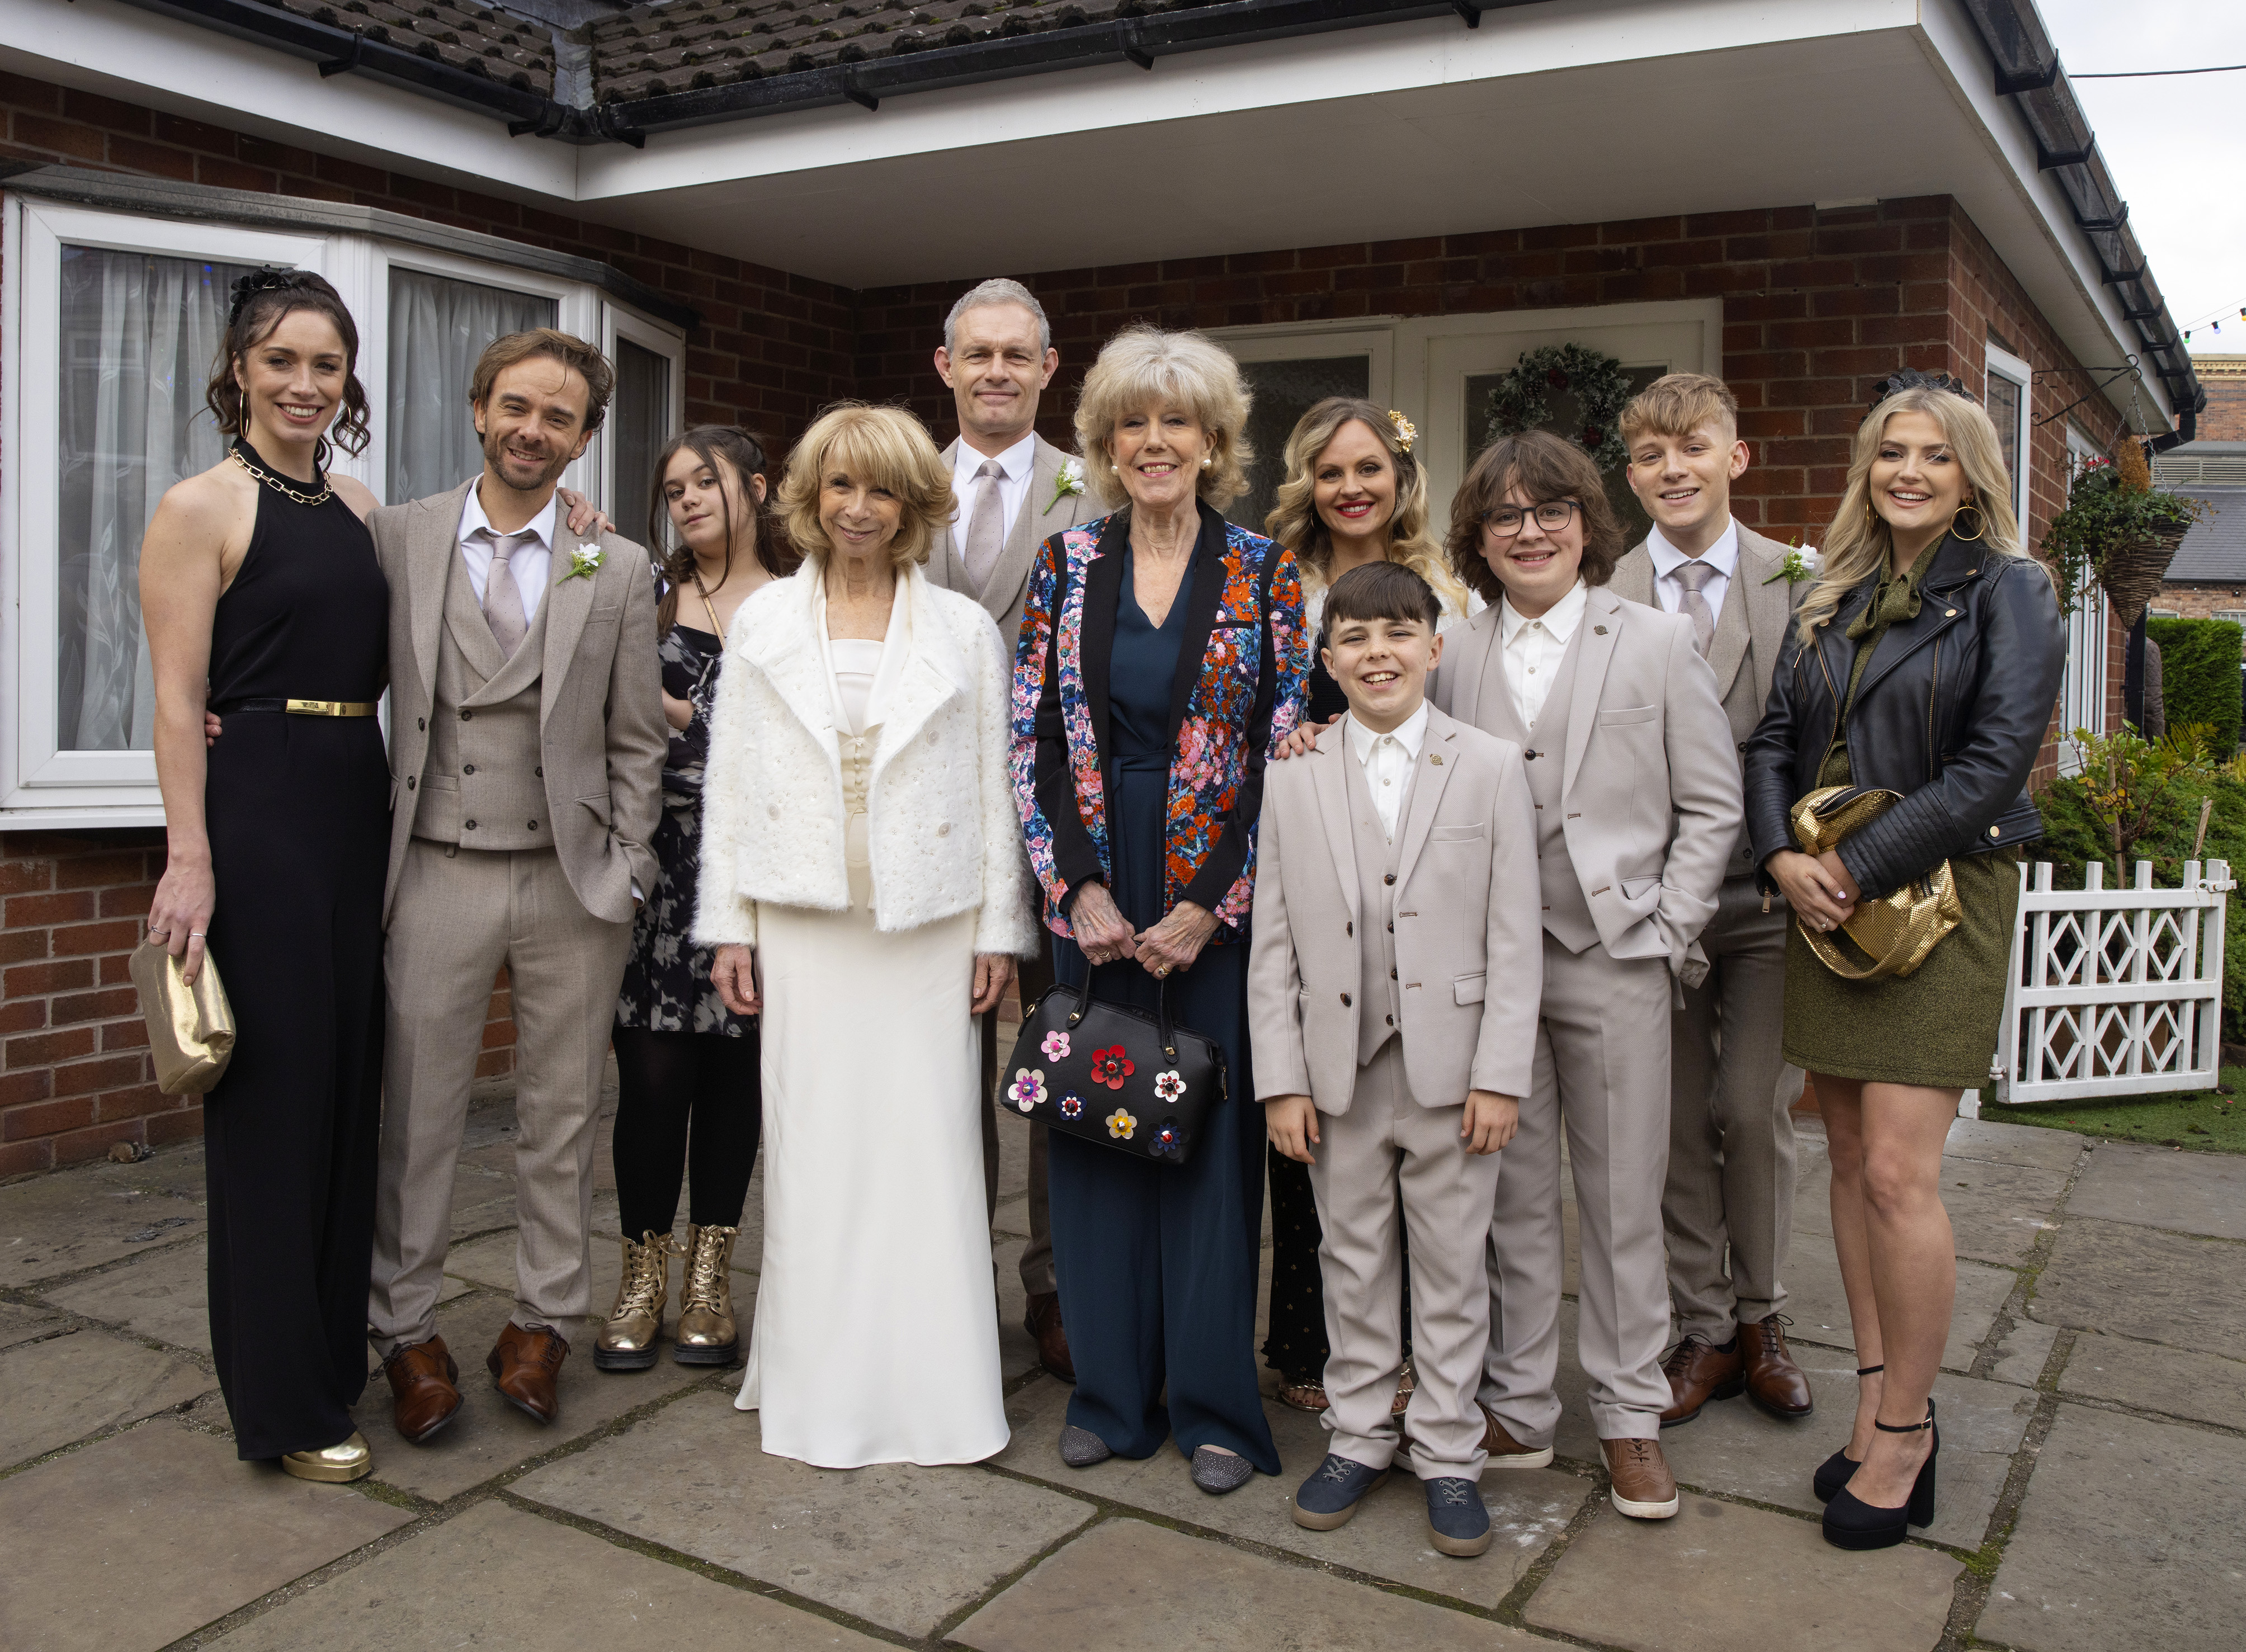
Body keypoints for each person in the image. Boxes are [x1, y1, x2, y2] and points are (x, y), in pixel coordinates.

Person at [1743, 372, 2063, 1550]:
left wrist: (1855, 865)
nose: (1908, 472)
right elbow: (1775, 737)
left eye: (1933, 453)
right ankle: (1876, 1389)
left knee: (1894, 1172)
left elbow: (1993, 765)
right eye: (1890, 453)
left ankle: (1909, 1428)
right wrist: (1780, 853)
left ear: (1970, 471)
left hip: (1937, 894)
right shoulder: (1831, 589)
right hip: (1823, 895)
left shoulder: (2010, 590)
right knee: (1837, 1148)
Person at [697, 403, 1033, 1469]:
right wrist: (729, 926)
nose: (857, 508)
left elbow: (995, 793)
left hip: (925, 930)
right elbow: (732, 788)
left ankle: (935, 1395)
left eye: (880, 488)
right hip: (803, 927)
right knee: (816, 1153)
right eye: (838, 486)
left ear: (912, 504)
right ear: (807, 497)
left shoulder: (964, 631)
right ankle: (820, 1383)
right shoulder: (762, 625)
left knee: (928, 1152)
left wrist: (998, 930)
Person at [1013, 325, 1306, 1495]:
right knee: (1093, 1131)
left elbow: (1283, 750)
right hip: (1092, 881)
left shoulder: (1263, 570)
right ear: (1102, 441)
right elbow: (1030, 728)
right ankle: (1108, 1395)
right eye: (1131, 422)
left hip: (1211, 897)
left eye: (1174, 421)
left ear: (1214, 441)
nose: (1152, 442)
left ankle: (1214, 1408)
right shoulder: (1065, 566)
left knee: (1204, 1151)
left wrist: (1207, 904)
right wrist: (1072, 882)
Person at [1431, 428, 1739, 1521]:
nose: (1529, 529)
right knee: (1508, 1195)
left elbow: (1711, 804)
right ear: (1476, 538)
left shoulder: (1651, 643)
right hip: (1487, 974)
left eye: (1549, 509)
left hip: (1615, 959)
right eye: (1504, 515)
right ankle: (1519, 1398)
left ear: (1584, 523)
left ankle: (1626, 1416)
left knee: (1620, 1203)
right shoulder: (1453, 651)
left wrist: (1668, 925)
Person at [366, 329, 667, 1442]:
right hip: (437, 865)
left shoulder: (616, 564)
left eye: (558, 416)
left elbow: (638, 737)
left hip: (568, 879)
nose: (532, 429)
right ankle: (404, 1329)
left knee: (560, 1116)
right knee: (420, 1115)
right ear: (478, 410)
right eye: (515, 407)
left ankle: (542, 1320)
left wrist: (629, 866)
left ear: (584, 437)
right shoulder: (398, 535)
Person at [141, 270, 386, 1483]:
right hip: (263, 815)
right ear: (239, 366)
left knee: (347, 1092)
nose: (304, 384)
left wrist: (584, 531)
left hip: (355, 798)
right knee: (276, 1107)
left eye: (326, 365)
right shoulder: (202, 505)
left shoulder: (353, 499)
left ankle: (331, 1360)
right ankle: (281, 1403)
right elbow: (178, 699)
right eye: (281, 360)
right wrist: (191, 856)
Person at [1249, 560, 1541, 1557]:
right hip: (1339, 1073)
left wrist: (1501, 1072)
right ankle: (1360, 1431)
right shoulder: (1291, 778)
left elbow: (1515, 936)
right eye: (1356, 640)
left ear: (1434, 645)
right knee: (1352, 1256)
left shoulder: (1492, 765)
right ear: (1328, 660)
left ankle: (1450, 1450)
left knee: (1455, 1269)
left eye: (1398, 633)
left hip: (1456, 1074)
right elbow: (1273, 944)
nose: (1379, 653)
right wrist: (1282, 1080)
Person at [1258, 397, 1478, 1410]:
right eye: (1330, 471)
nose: (1351, 488)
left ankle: (1424, 1367)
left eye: (1369, 470)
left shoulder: (1448, 593)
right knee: (1321, 1120)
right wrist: (1293, 734)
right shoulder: (1273, 581)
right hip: (1311, 851)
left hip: (1419, 870)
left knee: (1426, 1158)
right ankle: (1317, 1349)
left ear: (1401, 478)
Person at [1610, 374, 1815, 1427]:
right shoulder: (1606, 590)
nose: (1672, 469)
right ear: (1632, 473)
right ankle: (1703, 1326)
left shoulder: (1801, 579)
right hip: (1653, 902)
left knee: (1749, 1105)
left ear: (1737, 457)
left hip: (1772, 895)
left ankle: (1762, 1312)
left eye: (1693, 447)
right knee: (1677, 1120)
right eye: (1650, 454)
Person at [924, 278, 1101, 1382]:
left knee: (1063, 1056)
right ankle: (950, 1282)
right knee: (942, 1063)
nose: (995, 371)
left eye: (1015, 356)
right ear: (944, 366)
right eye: (975, 354)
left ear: (1048, 369)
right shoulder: (900, 486)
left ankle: (1057, 1283)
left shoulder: (1098, 489)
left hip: (1068, 825)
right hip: (933, 821)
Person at [598, 428, 796, 1373]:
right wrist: (582, 548)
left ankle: (711, 1280)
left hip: (760, 874)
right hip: (656, 870)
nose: (686, 500)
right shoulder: (642, 591)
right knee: (649, 1083)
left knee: (732, 1083)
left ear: (758, 487)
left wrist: (679, 713)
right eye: (671, 488)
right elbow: (581, 678)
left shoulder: (806, 602)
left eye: (704, 482)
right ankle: (642, 1276)